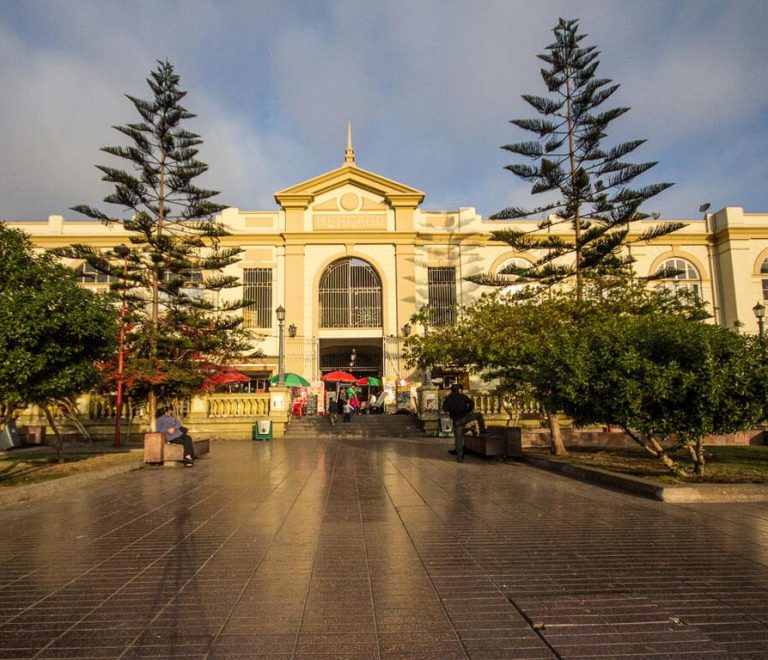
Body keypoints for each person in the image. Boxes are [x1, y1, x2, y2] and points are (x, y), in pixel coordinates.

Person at [442, 383, 488, 462]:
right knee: (479, 415)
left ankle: (460, 457)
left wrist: (451, 409)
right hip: (465, 417)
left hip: (456, 421)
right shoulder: (463, 396)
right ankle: (483, 432)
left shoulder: (448, 398)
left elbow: (445, 408)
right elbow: (471, 403)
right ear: (459, 390)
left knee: (458, 439)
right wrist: (468, 410)